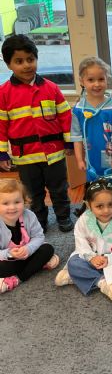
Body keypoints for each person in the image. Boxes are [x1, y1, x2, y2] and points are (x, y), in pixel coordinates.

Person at [0, 34, 73, 233]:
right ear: (8, 65)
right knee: (33, 193)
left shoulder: (51, 88)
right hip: (26, 157)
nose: (26, 65)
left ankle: (63, 216)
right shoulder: (3, 93)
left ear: (36, 59)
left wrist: (69, 142)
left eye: (30, 59)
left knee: (59, 188)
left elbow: (66, 117)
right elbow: (1, 125)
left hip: (54, 153)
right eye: (19, 61)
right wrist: (2, 153)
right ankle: (39, 220)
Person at [54, 179, 112, 302]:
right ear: (88, 205)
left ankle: (79, 277)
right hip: (91, 257)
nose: (106, 210)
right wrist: (91, 257)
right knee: (73, 262)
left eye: (111, 204)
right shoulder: (84, 219)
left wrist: (109, 258)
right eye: (99, 206)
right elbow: (81, 241)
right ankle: (102, 282)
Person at [0, 179, 59, 293]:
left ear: (24, 201)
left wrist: (28, 249)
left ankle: (19, 278)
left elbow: (39, 237)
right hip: (7, 258)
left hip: (28, 252)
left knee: (47, 249)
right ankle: (37, 264)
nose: (12, 207)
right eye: (6, 203)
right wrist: (9, 253)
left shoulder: (29, 216)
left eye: (17, 202)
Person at [71, 57, 112, 180]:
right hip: (91, 161)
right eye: (91, 80)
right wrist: (79, 160)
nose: (97, 84)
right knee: (95, 188)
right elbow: (76, 138)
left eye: (101, 79)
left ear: (107, 80)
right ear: (82, 81)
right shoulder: (79, 109)